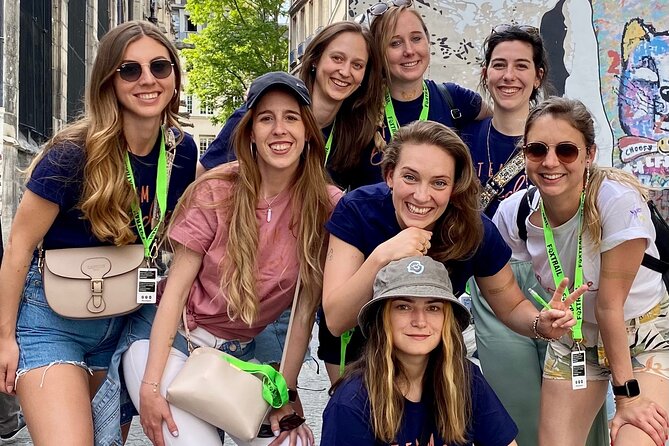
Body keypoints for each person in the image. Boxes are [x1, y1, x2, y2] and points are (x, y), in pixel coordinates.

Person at [0, 20, 197, 445]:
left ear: (175, 79)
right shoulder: (72, 153)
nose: (148, 79)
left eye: (160, 67)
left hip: (128, 314)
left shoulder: (181, 153)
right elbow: (18, 247)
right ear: (109, 81)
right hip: (53, 318)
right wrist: (3, 340)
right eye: (130, 70)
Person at [121, 71, 343, 446]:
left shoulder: (327, 205)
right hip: (175, 346)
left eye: (291, 117)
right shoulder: (216, 191)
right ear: (250, 132)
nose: (279, 129)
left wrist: (283, 396)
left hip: (241, 359)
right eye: (266, 118)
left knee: (290, 443)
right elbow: (174, 294)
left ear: (307, 131)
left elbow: (304, 313)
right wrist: (151, 386)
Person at [321, 120, 584, 378]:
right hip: (358, 355)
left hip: (430, 357)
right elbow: (335, 319)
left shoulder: (472, 229)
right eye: (410, 178)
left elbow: (512, 306)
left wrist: (541, 324)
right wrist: (383, 255)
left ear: (454, 186)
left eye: (439, 183)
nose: (422, 196)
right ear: (390, 175)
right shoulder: (357, 210)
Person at [494, 97, 669, 446]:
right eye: (537, 150)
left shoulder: (617, 201)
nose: (550, 161)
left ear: (589, 154)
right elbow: (497, 289)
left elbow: (609, 307)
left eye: (567, 151)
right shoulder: (514, 215)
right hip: (575, 339)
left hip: (644, 334)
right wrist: (537, 321)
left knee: (637, 440)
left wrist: (627, 397)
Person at [322, 256, 519, 445]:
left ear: (446, 319)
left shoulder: (467, 379)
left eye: (433, 308)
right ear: (382, 318)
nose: (420, 321)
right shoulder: (352, 400)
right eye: (403, 307)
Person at [197, 21, 385, 192]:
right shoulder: (258, 115)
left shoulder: (357, 134)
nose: (345, 71)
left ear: (365, 76)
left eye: (357, 65)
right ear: (315, 60)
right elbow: (203, 176)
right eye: (337, 58)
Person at [369, 2, 492, 143]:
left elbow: (502, 127)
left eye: (416, 38)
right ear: (378, 51)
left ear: (428, 41)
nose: (409, 51)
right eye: (395, 43)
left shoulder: (456, 98)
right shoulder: (360, 110)